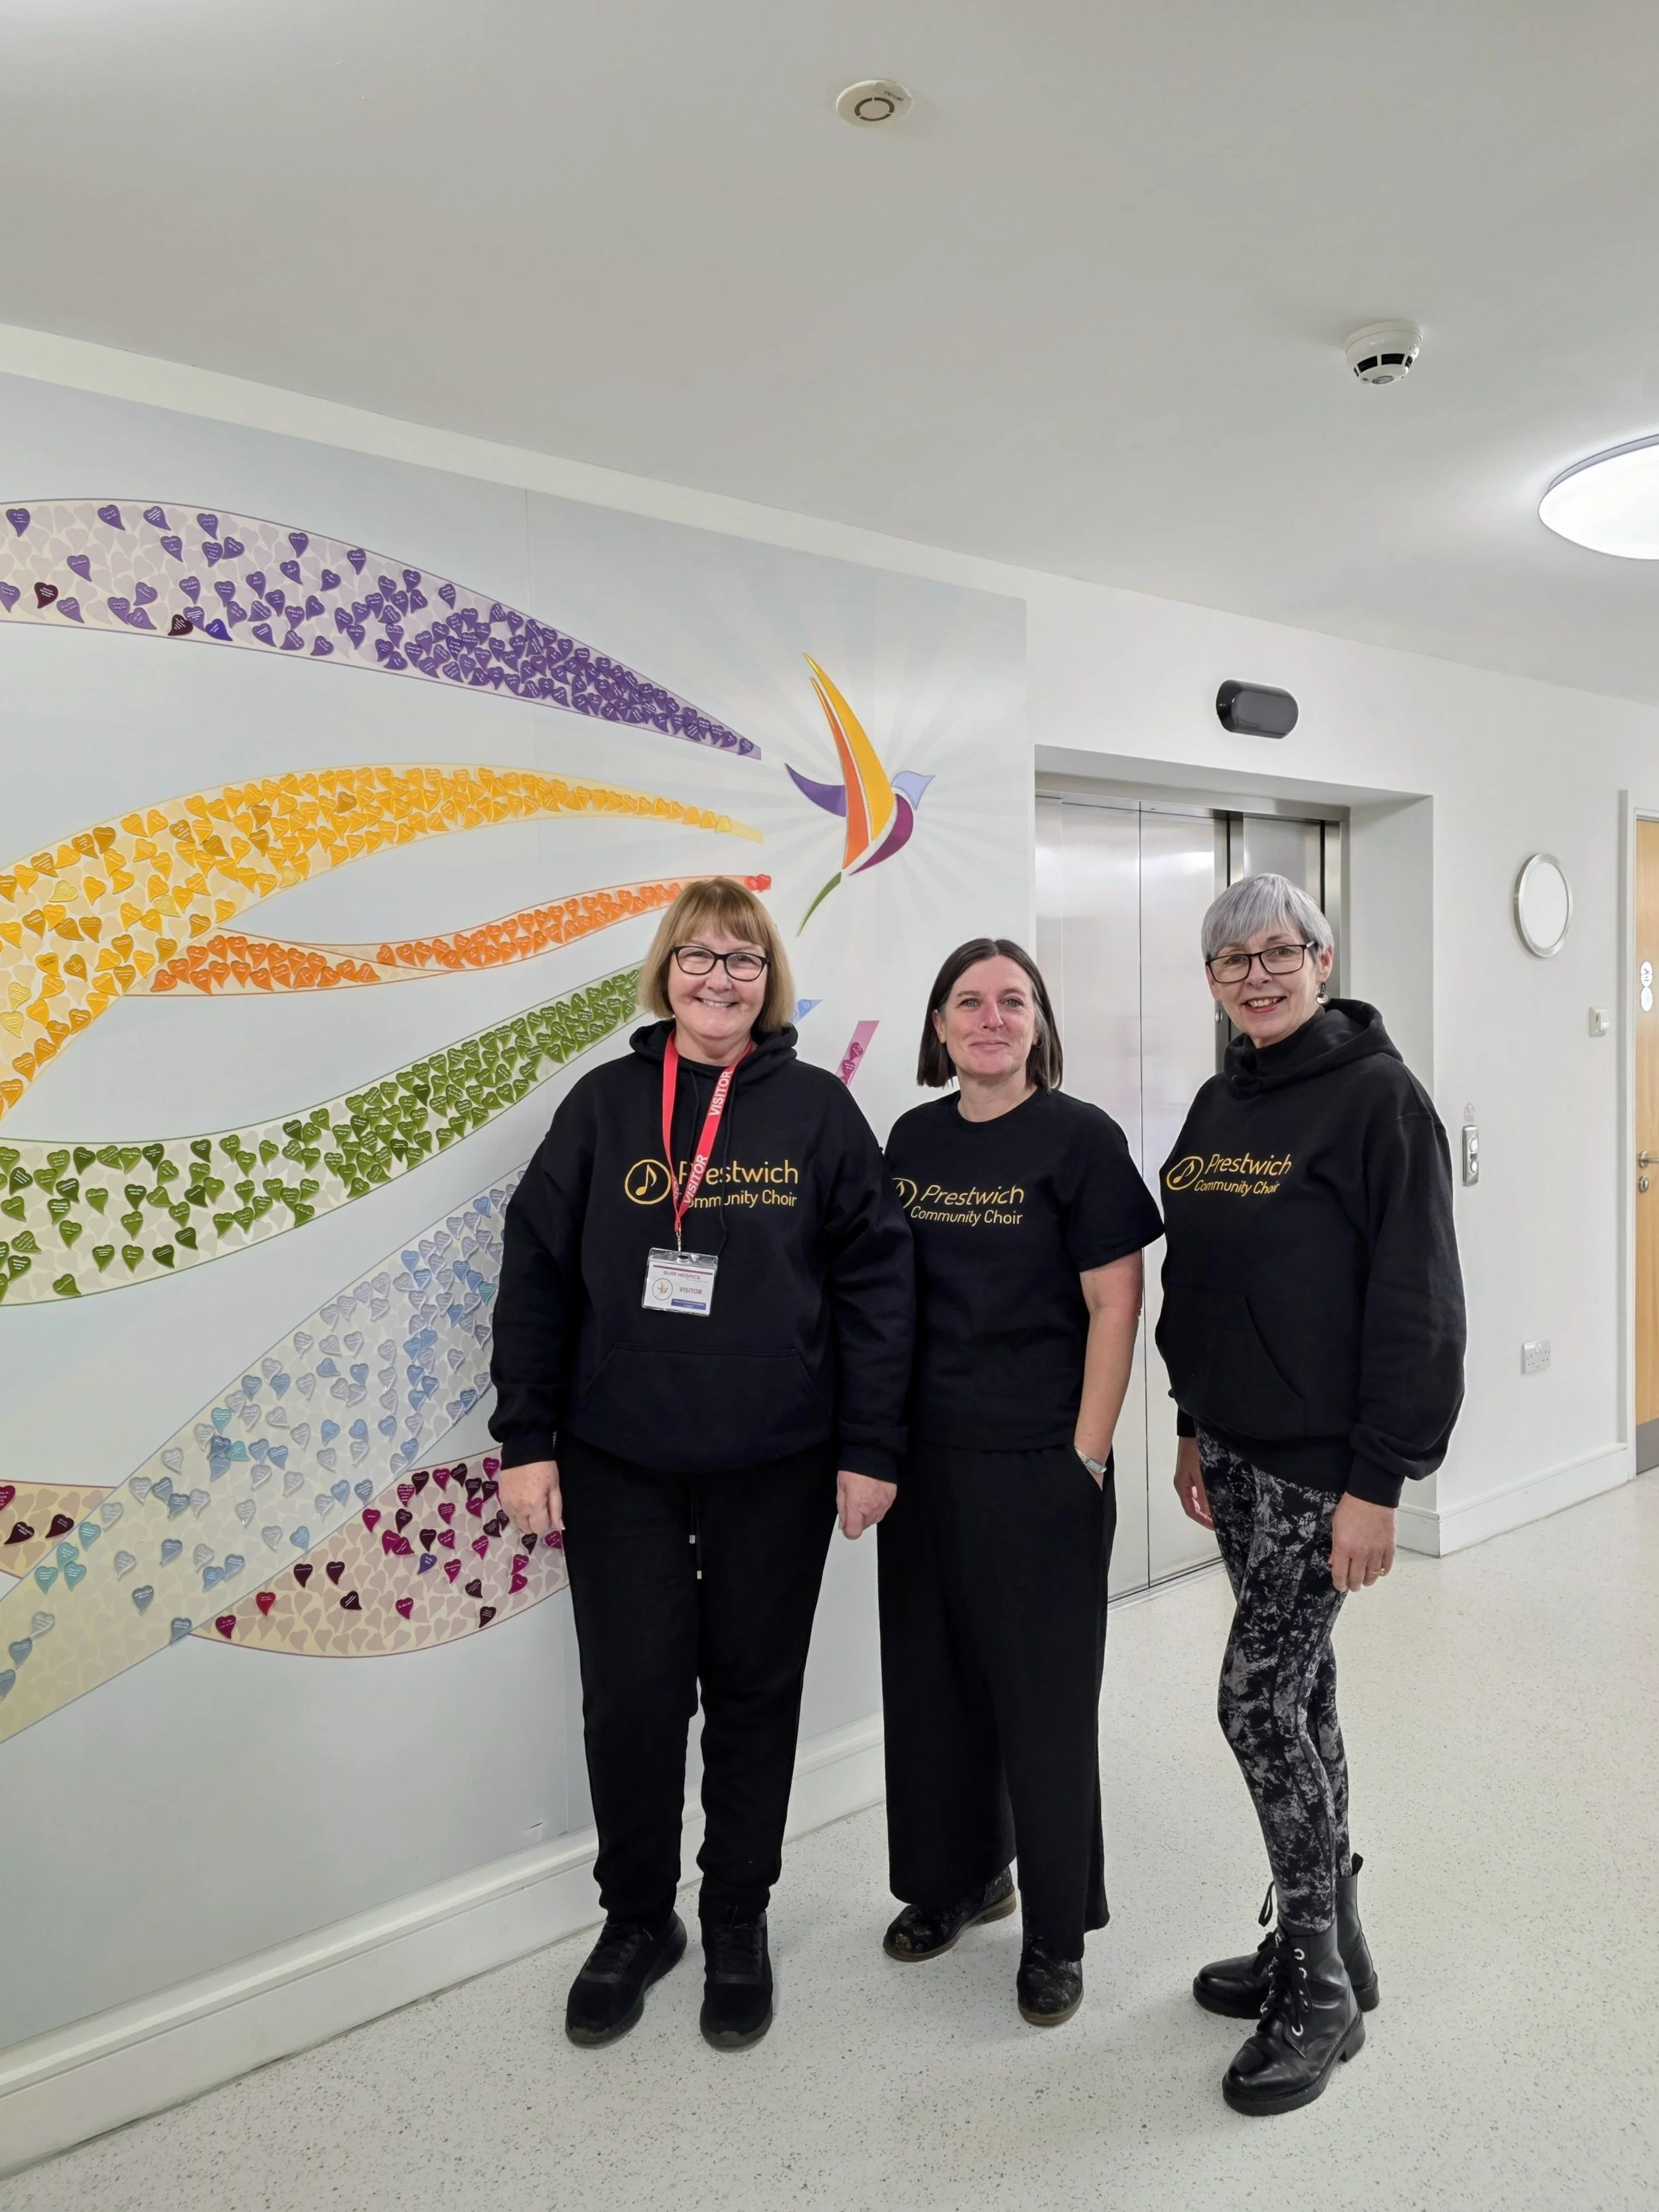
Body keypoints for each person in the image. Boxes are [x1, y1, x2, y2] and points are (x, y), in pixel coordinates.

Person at [491, 876, 913, 2053]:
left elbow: (880, 1291)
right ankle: (639, 1919)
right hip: (619, 1455)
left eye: (740, 958)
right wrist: (526, 1438)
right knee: (630, 1700)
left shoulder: (819, 1113)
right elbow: (534, 1276)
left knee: (753, 1694)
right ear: (666, 973)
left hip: (776, 1458)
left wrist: (871, 1447)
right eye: (696, 956)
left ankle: (736, 1912)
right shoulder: (604, 1107)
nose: (717, 977)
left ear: (766, 979)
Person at [1159, 872, 1464, 2117]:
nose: (1258, 976)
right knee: (1304, 1689)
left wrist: (1379, 1483)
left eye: (1279, 952)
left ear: (1323, 960)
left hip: (1317, 1468)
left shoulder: (1381, 1101)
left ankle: (1318, 1994)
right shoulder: (1219, 1095)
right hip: (1230, 1452)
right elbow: (1198, 1270)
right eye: (1233, 962)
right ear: (1216, 984)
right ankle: (1331, 1941)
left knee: (1254, 1703)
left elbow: (1420, 1304)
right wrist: (1189, 1421)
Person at [879, 938, 1163, 2027]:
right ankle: (958, 1881)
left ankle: (1053, 1931)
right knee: (934, 1687)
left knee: (1042, 1706)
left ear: (1040, 1021)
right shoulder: (912, 1139)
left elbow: (1115, 1307)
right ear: (940, 1025)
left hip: (1041, 1462)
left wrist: (1086, 1455)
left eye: (1013, 1000)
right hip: (926, 1462)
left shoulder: (1080, 1140)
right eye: (968, 1001)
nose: (990, 1018)